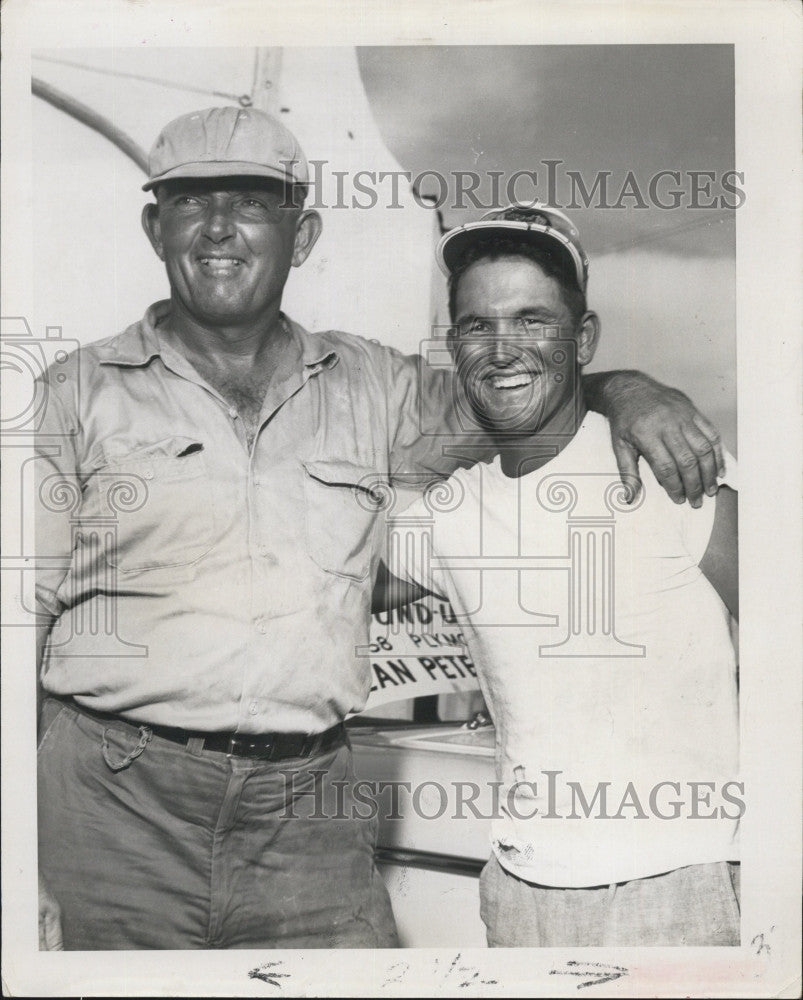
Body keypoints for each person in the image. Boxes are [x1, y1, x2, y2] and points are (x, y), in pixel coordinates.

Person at [35, 107, 726, 951]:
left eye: (252, 200)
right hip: (112, 801)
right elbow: (15, 617)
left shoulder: (378, 387)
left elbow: (517, 390)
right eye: (188, 201)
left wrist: (628, 387)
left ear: (304, 231)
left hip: (305, 812)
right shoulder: (72, 393)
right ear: (155, 226)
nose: (217, 228)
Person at [380, 202, 740, 947]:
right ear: (454, 344)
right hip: (518, 894)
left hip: (679, 890)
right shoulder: (447, 512)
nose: (502, 347)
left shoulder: (668, 467)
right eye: (478, 325)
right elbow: (328, 586)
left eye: (532, 320)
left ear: (582, 338)